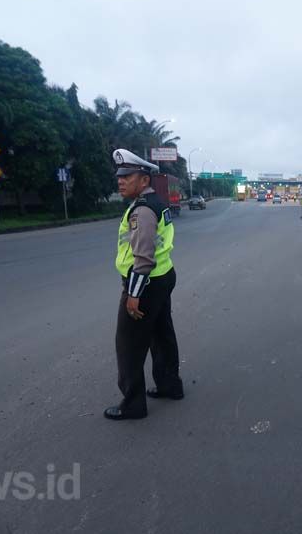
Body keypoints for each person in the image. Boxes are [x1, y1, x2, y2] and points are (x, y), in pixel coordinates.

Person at [104, 148, 183, 421]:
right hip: (163, 277)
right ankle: (170, 385)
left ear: (144, 180)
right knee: (161, 334)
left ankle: (133, 404)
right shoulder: (156, 204)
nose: (121, 181)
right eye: (119, 176)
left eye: (128, 175)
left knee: (129, 344)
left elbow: (143, 258)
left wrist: (133, 294)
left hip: (145, 282)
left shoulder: (142, 211)